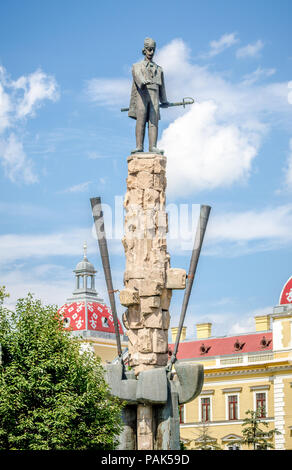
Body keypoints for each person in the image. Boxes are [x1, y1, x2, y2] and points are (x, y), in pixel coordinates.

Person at [128, 37, 169, 154]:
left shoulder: (159, 69)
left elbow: (163, 87)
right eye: (149, 49)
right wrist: (143, 81)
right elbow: (137, 76)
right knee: (140, 120)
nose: (151, 52)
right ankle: (139, 146)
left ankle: (153, 147)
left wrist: (164, 100)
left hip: (155, 95)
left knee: (153, 121)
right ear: (144, 50)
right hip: (142, 95)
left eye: (153, 50)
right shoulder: (137, 66)